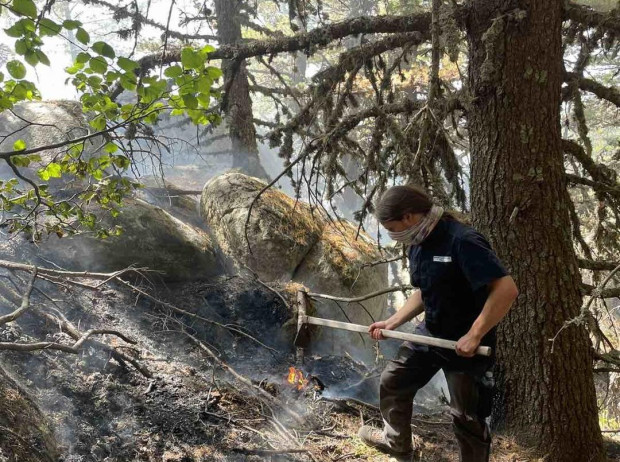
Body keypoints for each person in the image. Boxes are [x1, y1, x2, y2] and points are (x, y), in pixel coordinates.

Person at [358, 185, 518, 462]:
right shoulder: (418, 244)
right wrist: (393, 321)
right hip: (431, 332)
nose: (393, 235)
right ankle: (398, 448)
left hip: (467, 342)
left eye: (392, 227)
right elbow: (424, 290)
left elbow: (506, 289)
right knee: (394, 382)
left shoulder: (463, 240)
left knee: (467, 415)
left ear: (408, 217)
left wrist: (475, 334)